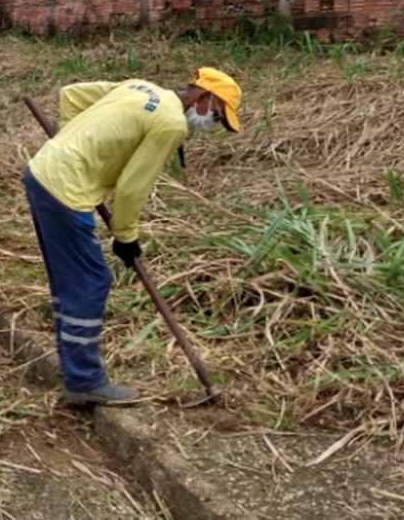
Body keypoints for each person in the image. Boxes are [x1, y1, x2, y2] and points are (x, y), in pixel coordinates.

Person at [23, 68, 242, 406]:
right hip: (64, 190)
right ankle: (83, 381)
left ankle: (75, 370)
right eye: (216, 115)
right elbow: (131, 188)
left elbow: (72, 94)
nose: (212, 124)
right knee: (90, 281)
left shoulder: (139, 87)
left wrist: (69, 143)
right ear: (201, 97)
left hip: (42, 173)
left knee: (72, 282)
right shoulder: (171, 124)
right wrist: (126, 237)